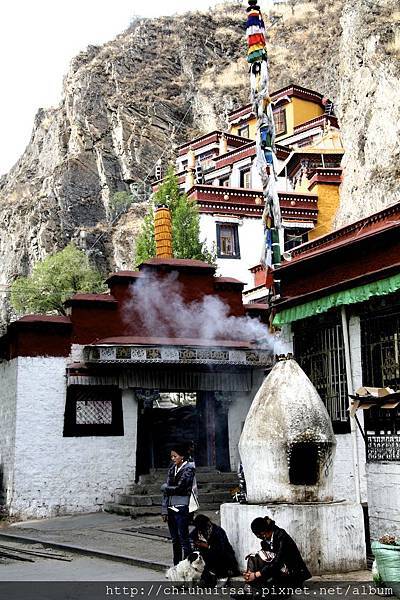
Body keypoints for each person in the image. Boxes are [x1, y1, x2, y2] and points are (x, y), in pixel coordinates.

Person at [243, 516, 311, 594]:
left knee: (265, 582)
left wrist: (255, 575)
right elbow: (268, 557)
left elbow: (277, 563)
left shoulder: (282, 536)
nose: (260, 538)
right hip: (276, 569)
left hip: (290, 572)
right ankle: (248, 587)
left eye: (259, 536)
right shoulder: (265, 541)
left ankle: (251, 588)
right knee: (252, 559)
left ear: (263, 533)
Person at [161, 444, 195, 565]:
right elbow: (166, 493)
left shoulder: (189, 469)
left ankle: (188, 564)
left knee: (183, 538)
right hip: (170, 507)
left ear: (182, 456)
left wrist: (166, 488)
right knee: (175, 540)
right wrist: (164, 510)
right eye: (172, 456)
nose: (173, 459)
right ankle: (176, 565)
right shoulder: (172, 469)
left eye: (175, 456)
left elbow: (181, 488)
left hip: (181, 507)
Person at [190, 514, 239, 585]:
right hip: (207, 558)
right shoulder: (199, 530)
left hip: (223, 559)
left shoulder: (218, 531)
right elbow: (190, 538)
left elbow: (222, 549)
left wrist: (207, 546)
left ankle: (222, 576)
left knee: (212, 555)